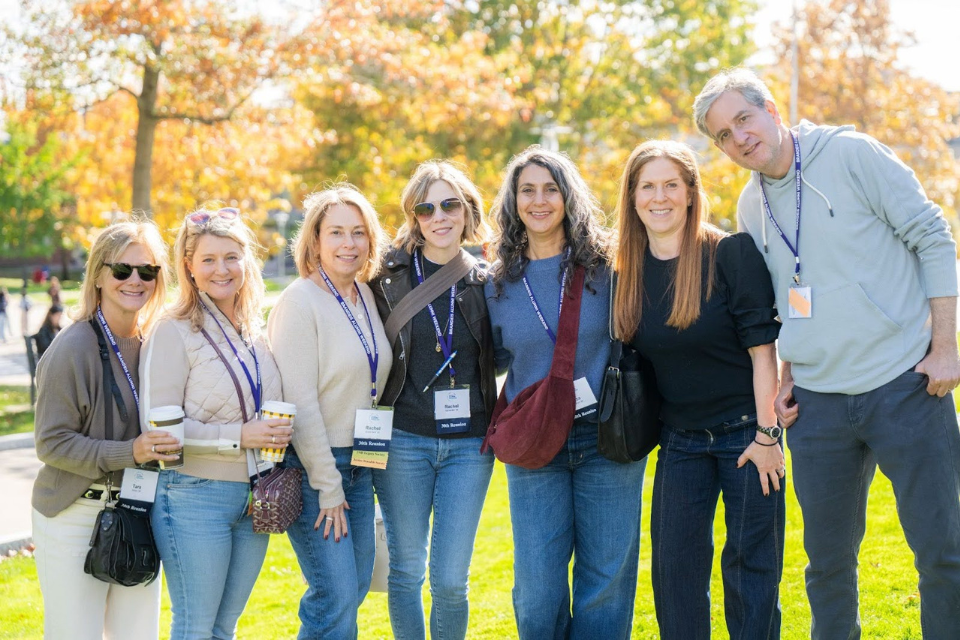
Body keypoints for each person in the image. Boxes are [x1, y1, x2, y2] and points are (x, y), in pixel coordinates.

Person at [695, 67, 960, 639]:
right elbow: (786, 303)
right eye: (723, 135)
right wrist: (789, 373)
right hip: (818, 408)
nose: (739, 138)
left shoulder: (852, 155)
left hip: (906, 384)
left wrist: (946, 347)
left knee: (943, 553)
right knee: (827, 565)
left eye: (743, 118)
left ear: (771, 109)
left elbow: (933, 236)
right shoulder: (748, 209)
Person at [614, 140, 785, 639]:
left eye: (672, 184)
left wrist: (768, 437)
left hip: (747, 437)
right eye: (648, 186)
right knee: (674, 573)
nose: (659, 197)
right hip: (680, 442)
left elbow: (763, 352)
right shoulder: (623, 270)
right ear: (632, 196)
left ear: (691, 194)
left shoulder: (730, 253)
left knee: (751, 571)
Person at [485, 145, 646, 639]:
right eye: (527, 190)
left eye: (550, 189)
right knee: (537, 591)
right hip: (534, 444)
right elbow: (484, 360)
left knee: (605, 582)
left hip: (607, 439)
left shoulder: (609, 266)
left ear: (567, 196)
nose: (539, 201)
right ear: (512, 202)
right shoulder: (494, 284)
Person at [140, 206, 291, 639]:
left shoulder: (254, 331)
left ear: (247, 261)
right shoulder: (172, 330)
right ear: (188, 266)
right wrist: (240, 436)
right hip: (193, 496)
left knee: (225, 627)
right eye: (208, 259)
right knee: (195, 625)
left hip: (255, 495)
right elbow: (161, 436)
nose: (221, 269)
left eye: (231, 257)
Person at [31, 219, 179, 639]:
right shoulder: (73, 346)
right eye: (122, 270)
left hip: (137, 511)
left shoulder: (157, 343)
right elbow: (51, 442)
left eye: (147, 271)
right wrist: (130, 451)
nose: (136, 280)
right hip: (75, 514)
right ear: (98, 274)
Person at [370, 161, 496, 640]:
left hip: (470, 446)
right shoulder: (385, 275)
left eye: (450, 204)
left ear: (467, 211)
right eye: (426, 208)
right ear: (413, 216)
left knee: (449, 580)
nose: (439, 216)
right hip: (404, 440)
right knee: (405, 571)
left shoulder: (488, 280)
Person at [268, 185, 391, 639]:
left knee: (354, 587)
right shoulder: (301, 302)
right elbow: (300, 403)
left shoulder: (365, 294)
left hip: (361, 463)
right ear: (314, 240)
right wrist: (327, 484)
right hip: (317, 468)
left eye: (358, 233)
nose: (348, 243)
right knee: (334, 595)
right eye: (336, 232)